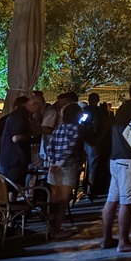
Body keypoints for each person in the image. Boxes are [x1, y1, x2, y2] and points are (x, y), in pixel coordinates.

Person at [101, 80, 131, 253]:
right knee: (126, 202)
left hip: (116, 159)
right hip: (129, 160)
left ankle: (107, 238)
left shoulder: (123, 109)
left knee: (112, 200)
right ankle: (123, 242)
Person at [45, 102, 85, 239]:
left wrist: (52, 163)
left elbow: (49, 147)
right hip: (67, 167)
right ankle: (57, 230)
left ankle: (50, 228)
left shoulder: (58, 128)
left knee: (53, 200)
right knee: (63, 201)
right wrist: (60, 163)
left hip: (53, 168)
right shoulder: (75, 129)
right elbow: (70, 148)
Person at [0, 94, 44, 186]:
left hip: (8, 158)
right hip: (15, 160)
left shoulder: (17, 114)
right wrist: (31, 134)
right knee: (14, 187)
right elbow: (16, 138)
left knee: (8, 188)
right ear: (34, 104)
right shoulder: (21, 116)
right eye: (39, 108)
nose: (38, 111)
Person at [80, 92, 112, 200]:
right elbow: (105, 126)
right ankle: (91, 188)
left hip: (86, 140)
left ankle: (86, 188)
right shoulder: (101, 112)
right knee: (93, 165)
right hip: (96, 140)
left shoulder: (85, 110)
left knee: (87, 164)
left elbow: (81, 123)